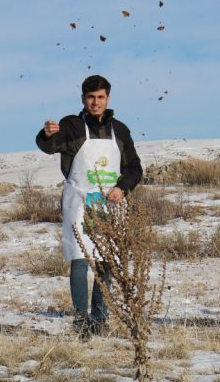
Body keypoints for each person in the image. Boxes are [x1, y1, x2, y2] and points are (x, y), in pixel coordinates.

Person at [36, 74, 143, 338]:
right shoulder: (72, 126)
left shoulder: (120, 130)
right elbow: (50, 146)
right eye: (91, 97)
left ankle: (99, 318)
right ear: (83, 99)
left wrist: (122, 188)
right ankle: (81, 319)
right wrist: (46, 135)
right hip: (79, 203)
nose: (96, 102)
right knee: (80, 259)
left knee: (106, 262)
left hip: (110, 205)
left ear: (108, 98)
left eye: (100, 97)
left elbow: (134, 168)